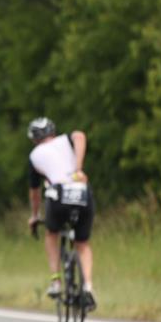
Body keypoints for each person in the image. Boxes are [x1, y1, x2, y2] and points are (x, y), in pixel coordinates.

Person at [26, 117, 96, 311]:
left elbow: (35, 192)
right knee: (82, 243)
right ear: (53, 132)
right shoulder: (65, 140)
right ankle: (88, 286)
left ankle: (56, 280)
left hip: (57, 196)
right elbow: (80, 135)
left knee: (51, 234)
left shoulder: (34, 155)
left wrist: (34, 215)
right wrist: (78, 169)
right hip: (82, 191)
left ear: (33, 139)